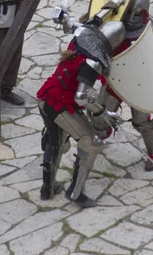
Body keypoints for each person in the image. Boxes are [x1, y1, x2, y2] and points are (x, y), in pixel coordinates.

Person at [55, 0, 153, 171]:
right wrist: (67, 21)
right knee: (98, 121)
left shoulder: (147, 33)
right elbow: (86, 31)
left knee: (142, 123)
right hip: (114, 82)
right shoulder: (113, 25)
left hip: (138, 83)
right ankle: (97, 143)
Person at [37, 20, 126, 208]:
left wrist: (115, 1)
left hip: (47, 95)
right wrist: (102, 112)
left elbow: (82, 22)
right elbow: (80, 98)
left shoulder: (82, 33)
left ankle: (48, 189)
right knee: (91, 143)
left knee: (57, 143)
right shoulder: (93, 63)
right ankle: (76, 194)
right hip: (59, 104)